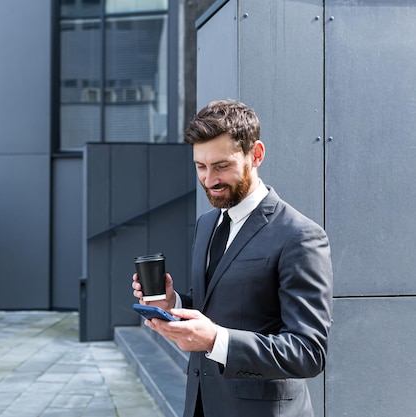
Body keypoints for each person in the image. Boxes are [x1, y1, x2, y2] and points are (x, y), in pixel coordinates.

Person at [131, 100, 333, 417]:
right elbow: (218, 302)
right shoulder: (207, 224)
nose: (210, 180)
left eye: (222, 165)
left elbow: (308, 353)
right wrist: (175, 305)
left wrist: (215, 340)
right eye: (201, 166)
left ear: (256, 155)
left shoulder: (300, 236)